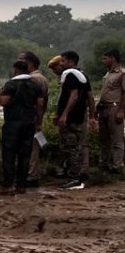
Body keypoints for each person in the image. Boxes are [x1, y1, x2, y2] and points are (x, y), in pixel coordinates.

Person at [0, 60, 45, 194]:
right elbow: (40, 105)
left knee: (9, 154)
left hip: (13, 122)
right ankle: (21, 185)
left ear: (15, 70)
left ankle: (8, 184)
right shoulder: (35, 85)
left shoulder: (11, 84)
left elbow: (4, 101)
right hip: (29, 122)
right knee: (25, 155)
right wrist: (39, 123)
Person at [52, 52, 92, 190]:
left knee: (72, 148)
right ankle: (72, 175)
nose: (60, 63)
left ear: (71, 61)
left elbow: (73, 96)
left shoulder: (70, 75)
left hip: (72, 118)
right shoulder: (82, 76)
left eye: (63, 61)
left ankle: (74, 178)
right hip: (77, 116)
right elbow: (89, 97)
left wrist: (64, 114)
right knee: (72, 146)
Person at [18, 51, 49, 187]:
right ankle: (29, 174)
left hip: (32, 116)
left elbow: (40, 102)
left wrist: (39, 121)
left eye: (20, 59)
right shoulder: (36, 77)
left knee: (31, 148)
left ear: (29, 62)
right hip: (32, 116)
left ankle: (31, 176)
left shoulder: (35, 79)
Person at [92, 49, 125, 174]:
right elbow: (103, 93)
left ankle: (117, 166)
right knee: (104, 138)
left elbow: (124, 93)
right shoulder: (107, 75)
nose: (103, 61)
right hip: (104, 108)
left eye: (105, 58)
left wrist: (122, 111)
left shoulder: (122, 73)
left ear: (113, 58)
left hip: (114, 107)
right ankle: (104, 163)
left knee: (117, 138)